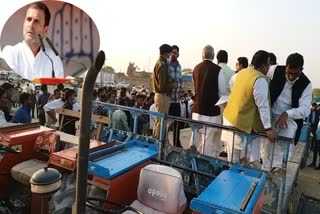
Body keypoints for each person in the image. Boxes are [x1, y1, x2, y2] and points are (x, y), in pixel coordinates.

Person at [223, 50, 276, 163]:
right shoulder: (260, 79)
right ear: (262, 65)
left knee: (232, 162)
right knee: (252, 163)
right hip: (243, 127)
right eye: (268, 65)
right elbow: (263, 106)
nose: (268, 68)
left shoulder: (240, 73)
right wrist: (268, 128)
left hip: (230, 121)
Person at [262, 53, 312, 170]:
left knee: (282, 150)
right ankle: (264, 173)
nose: (290, 77)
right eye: (288, 72)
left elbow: (305, 109)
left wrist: (287, 113)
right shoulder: (275, 70)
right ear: (286, 66)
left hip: (289, 120)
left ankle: (278, 173)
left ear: (301, 70)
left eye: (294, 74)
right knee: (267, 150)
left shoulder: (306, 84)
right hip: (271, 116)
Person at [1, 1, 64, 80]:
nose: (30, 25)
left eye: (36, 21)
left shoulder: (53, 58)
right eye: (28, 19)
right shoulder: (10, 52)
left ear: (45, 30)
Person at [190, 45, 228, 156]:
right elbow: (223, 93)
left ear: (202, 55)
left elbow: (195, 89)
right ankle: (204, 166)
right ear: (213, 55)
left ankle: (192, 164)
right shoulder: (217, 70)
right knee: (208, 141)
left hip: (197, 110)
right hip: (211, 112)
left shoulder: (196, 68)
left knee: (195, 139)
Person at [152, 44, 174, 139]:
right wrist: (173, 84)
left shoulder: (162, 63)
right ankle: (158, 143)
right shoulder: (161, 65)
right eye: (169, 53)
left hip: (162, 96)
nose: (170, 55)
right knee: (160, 121)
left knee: (160, 121)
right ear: (166, 53)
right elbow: (162, 86)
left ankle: (159, 142)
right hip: (162, 95)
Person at [168, 45, 183, 147]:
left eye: (175, 52)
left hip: (176, 100)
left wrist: (181, 90)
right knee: (165, 124)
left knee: (178, 123)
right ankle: (164, 142)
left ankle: (176, 143)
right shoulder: (166, 64)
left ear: (178, 54)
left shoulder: (179, 66)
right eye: (172, 52)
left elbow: (180, 80)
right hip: (167, 99)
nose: (173, 54)